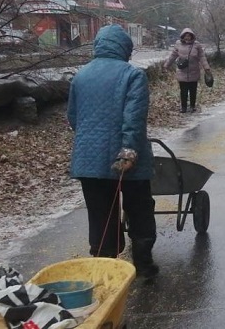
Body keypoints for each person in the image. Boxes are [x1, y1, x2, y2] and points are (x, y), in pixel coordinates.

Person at [67, 24, 159, 279]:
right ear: (124, 48)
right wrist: (128, 149)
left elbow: (73, 118)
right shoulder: (132, 75)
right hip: (129, 159)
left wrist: (91, 142)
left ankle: (105, 268)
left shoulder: (81, 76)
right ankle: (143, 266)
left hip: (88, 160)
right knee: (139, 208)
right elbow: (134, 117)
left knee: (100, 213)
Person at [164, 28, 211, 113]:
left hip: (194, 71)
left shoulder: (197, 45)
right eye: (185, 36)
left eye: (189, 36)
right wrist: (166, 65)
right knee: (183, 91)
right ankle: (184, 107)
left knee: (193, 90)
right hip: (182, 72)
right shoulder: (178, 44)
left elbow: (202, 57)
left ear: (192, 36)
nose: (187, 37)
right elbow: (172, 56)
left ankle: (192, 106)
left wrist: (206, 68)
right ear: (183, 36)